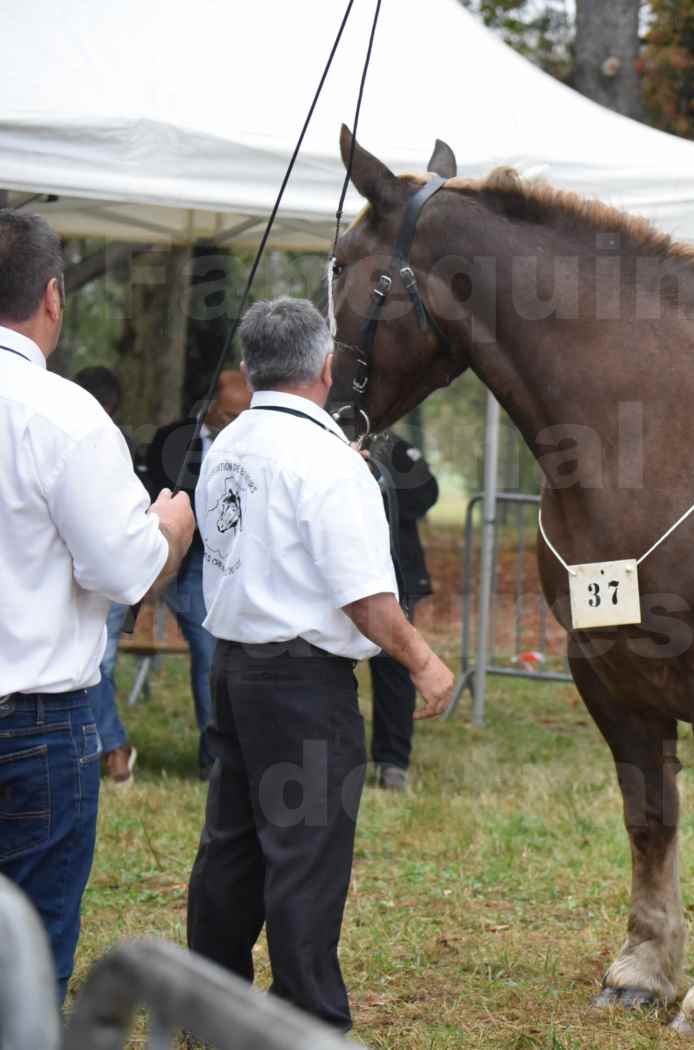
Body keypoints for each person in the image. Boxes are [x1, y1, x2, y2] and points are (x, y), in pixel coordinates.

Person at [185, 297, 455, 1032]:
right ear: (326, 368)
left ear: (248, 369)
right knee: (304, 854)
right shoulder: (329, 463)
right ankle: (306, 1021)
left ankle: (211, 997)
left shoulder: (229, 443)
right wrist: (425, 663)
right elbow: (368, 601)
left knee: (232, 842)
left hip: (236, 665)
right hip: (303, 682)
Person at [0, 210, 196, 1001]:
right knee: (28, 961)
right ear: (54, 297)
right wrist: (170, 529)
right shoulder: (65, 415)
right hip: (37, 725)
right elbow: (127, 572)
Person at [140, 370, 252, 775]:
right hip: (177, 558)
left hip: (221, 563)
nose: (237, 422)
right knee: (208, 650)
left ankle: (216, 755)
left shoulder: (250, 446)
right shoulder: (175, 439)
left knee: (211, 653)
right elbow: (162, 493)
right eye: (231, 413)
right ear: (213, 407)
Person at [73, 366, 138, 785]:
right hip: (92, 571)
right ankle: (109, 748)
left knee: (98, 663)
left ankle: (112, 750)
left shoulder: (114, 445)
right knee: (93, 663)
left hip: (101, 571)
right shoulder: (111, 442)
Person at [367, 435, 440, 792]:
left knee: (394, 668)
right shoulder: (317, 438)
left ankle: (391, 762)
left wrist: (378, 484)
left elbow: (426, 494)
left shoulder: (392, 446)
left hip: (395, 573)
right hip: (331, 575)